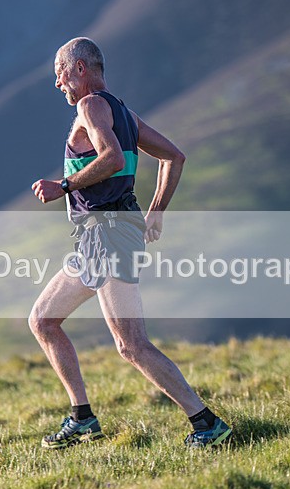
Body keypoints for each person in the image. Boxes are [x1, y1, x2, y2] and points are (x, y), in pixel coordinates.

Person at [30, 37, 231, 449]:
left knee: (131, 345)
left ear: (80, 68)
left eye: (59, 73)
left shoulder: (91, 106)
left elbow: (114, 159)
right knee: (44, 320)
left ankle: (206, 423)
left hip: (106, 235)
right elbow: (174, 157)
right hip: (104, 236)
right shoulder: (123, 112)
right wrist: (156, 211)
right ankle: (82, 418)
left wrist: (63, 185)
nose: (57, 83)